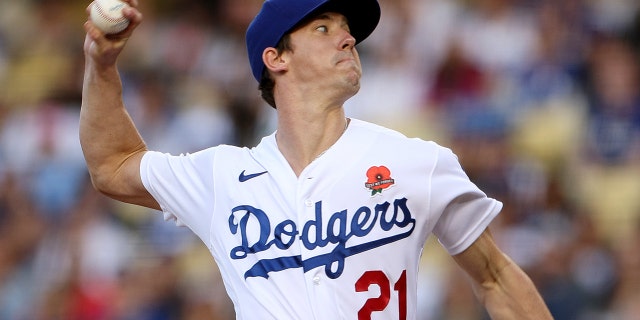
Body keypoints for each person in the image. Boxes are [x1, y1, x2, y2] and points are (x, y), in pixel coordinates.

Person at [80, 0, 553, 319]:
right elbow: (112, 165)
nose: (348, 40)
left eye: (348, 31)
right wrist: (101, 66)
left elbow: (495, 276)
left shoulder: (416, 163)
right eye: (324, 28)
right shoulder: (222, 176)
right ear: (276, 58)